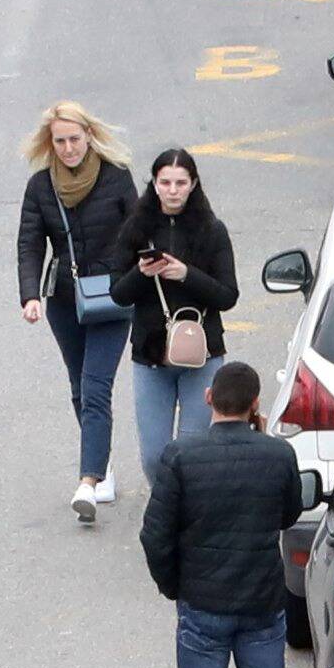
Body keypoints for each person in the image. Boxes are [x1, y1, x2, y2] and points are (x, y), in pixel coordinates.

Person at [135, 361, 309, 668]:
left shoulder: (182, 456)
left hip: (203, 604)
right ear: (255, 403)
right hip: (262, 603)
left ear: (209, 398)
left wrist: (174, 586)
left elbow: (154, 535)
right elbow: (289, 515)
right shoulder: (278, 454)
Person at [12, 101, 144, 517]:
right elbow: (30, 244)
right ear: (49, 144)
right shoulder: (40, 187)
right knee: (78, 385)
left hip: (113, 298)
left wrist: (137, 275)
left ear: (89, 137)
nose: (68, 148)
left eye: (74, 139)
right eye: (60, 141)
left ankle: (88, 483)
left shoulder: (116, 178)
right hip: (66, 301)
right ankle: (101, 464)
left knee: (95, 386)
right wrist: (30, 295)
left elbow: (140, 233)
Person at [108, 148, 238, 483]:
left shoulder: (212, 230)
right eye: (165, 182)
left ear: (193, 184)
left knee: (193, 452)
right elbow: (118, 294)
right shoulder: (135, 229)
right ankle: (165, 508)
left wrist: (186, 274)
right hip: (150, 356)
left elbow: (228, 295)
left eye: (181, 182)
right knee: (154, 456)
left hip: (202, 355)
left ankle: (185, 523)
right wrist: (141, 272)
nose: (173, 190)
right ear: (154, 184)